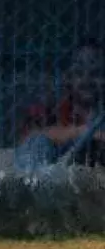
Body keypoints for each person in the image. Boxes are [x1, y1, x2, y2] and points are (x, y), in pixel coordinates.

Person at [16, 41, 105, 169]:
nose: (87, 80)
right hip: (59, 170)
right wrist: (82, 132)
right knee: (37, 143)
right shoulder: (53, 110)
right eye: (80, 73)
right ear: (68, 77)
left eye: (95, 73)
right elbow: (28, 139)